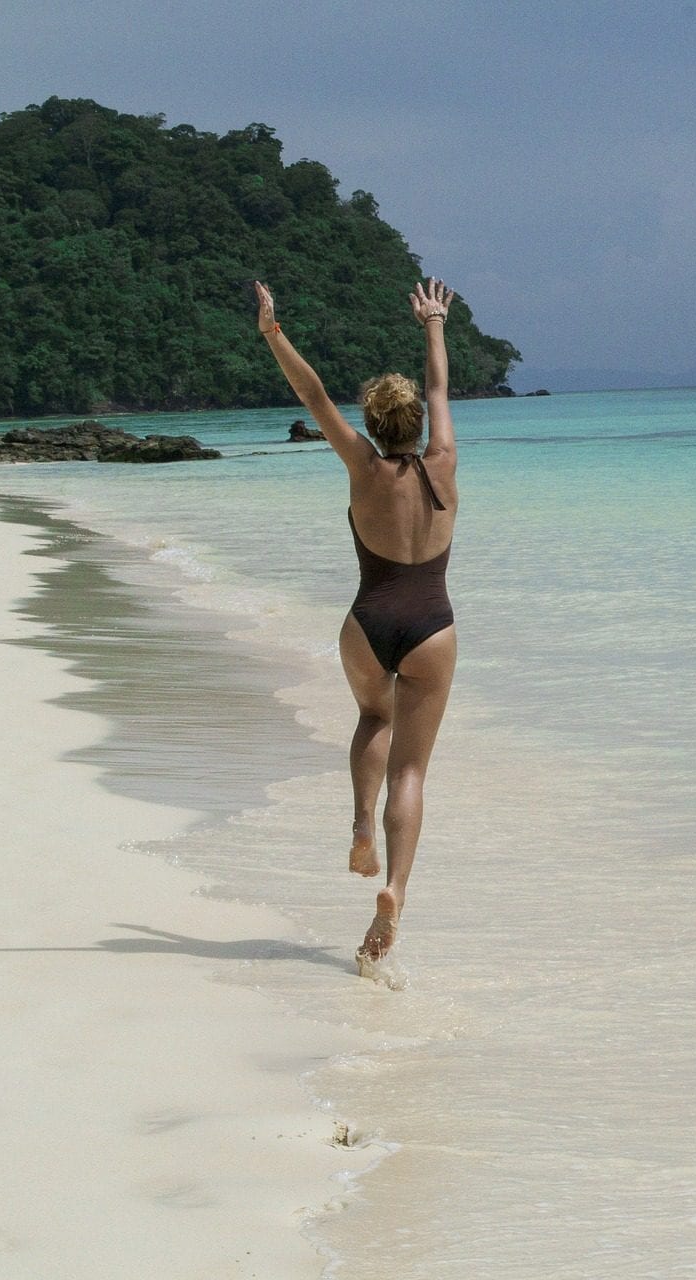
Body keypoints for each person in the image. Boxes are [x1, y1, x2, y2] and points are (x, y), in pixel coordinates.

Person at [255, 278, 460, 972]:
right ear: (415, 426)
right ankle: (395, 890)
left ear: (372, 425)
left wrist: (273, 333)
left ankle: (357, 825)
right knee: (414, 770)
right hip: (433, 625)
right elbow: (439, 393)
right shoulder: (444, 463)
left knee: (374, 719)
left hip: (368, 621)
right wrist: (433, 323)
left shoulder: (362, 467)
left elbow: (313, 398)